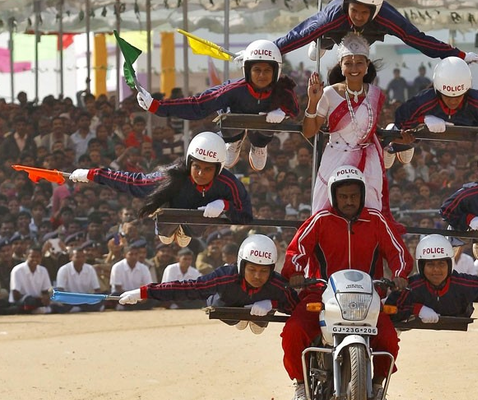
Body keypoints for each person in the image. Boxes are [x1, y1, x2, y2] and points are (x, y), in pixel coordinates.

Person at [281, 166, 412, 400]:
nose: (349, 201)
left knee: (389, 339)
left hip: (368, 296)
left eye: (353, 196)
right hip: (321, 293)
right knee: (294, 331)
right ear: (333, 196)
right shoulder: (320, 221)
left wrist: (399, 274)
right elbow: (296, 251)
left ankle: (377, 386)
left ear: (362, 195)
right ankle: (300, 384)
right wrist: (296, 273)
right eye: (343, 196)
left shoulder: (375, 220)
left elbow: (399, 254)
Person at [135, 40, 299, 171]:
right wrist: (157, 106)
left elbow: (295, 109)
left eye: (267, 70)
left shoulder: (283, 88)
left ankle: (259, 145)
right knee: (228, 119)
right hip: (234, 124)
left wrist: (283, 111)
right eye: (256, 70)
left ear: (276, 71)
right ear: (248, 71)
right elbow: (198, 104)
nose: (261, 75)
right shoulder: (232, 89)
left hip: (262, 129)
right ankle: (233, 141)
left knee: (268, 122)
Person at [69, 132, 252, 247]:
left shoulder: (230, 184)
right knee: (166, 238)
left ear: (218, 169)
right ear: (189, 163)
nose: (200, 174)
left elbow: (245, 215)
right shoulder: (171, 176)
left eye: (208, 169)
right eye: (196, 167)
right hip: (170, 213)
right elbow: (133, 182)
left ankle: (184, 230)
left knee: (187, 238)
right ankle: (168, 228)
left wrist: (224, 205)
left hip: (197, 222)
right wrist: (94, 174)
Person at [273, 0, 478, 63]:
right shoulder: (334, 16)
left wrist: (458, 55)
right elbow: (298, 35)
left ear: (376, 10)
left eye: (365, 12)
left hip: (371, 33)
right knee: (314, 43)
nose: (359, 17)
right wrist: (266, 51)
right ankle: (325, 42)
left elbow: (417, 39)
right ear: (347, 5)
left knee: (363, 39)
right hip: (334, 30)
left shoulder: (387, 18)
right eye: (354, 10)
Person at [303, 33, 399, 222]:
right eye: (348, 63)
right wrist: (313, 102)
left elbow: (368, 127)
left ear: (367, 65)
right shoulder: (329, 93)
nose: (354, 68)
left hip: (369, 160)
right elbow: (309, 131)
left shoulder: (376, 94)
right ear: (341, 65)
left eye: (359, 63)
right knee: (324, 212)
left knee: (371, 214)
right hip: (336, 156)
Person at [119, 234, 299, 334]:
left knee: (258, 329)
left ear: (272, 269)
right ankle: (240, 319)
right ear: (241, 265)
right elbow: (187, 288)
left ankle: (256, 320)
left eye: (264, 271)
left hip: (261, 308)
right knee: (219, 306)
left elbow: (297, 308)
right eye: (252, 269)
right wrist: (143, 292)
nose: (258, 276)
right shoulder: (224, 276)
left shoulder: (278, 284)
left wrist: (272, 304)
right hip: (225, 305)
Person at [55, 246, 103, 312]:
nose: (81, 259)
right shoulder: (64, 269)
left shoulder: (90, 269)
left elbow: (97, 289)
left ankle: (79, 308)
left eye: (83, 257)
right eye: (77, 257)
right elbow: (60, 290)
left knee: (102, 297)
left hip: (85, 299)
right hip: (70, 299)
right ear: (71, 258)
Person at [110, 242, 155, 310]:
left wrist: (142, 296)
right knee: (114, 295)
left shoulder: (144, 268)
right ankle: (134, 307)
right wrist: (130, 296)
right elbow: (118, 287)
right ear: (125, 255)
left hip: (137, 296)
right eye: (131, 254)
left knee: (153, 297)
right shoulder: (117, 267)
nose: (134, 257)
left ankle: (129, 307)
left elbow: (148, 286)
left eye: (136, 254)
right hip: (121, 295)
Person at [9, 246, 53, 314]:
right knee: (29, 300)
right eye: (32, 257)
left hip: (37, 301)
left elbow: (45, 291)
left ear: (41, 258)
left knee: (54, 296)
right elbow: (16, 295)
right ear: (26, 257)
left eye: (37, 257)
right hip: (21, 302)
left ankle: (37, 310)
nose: (35, 259)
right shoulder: (17, 270)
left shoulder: (43, 270)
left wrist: (45, 298)